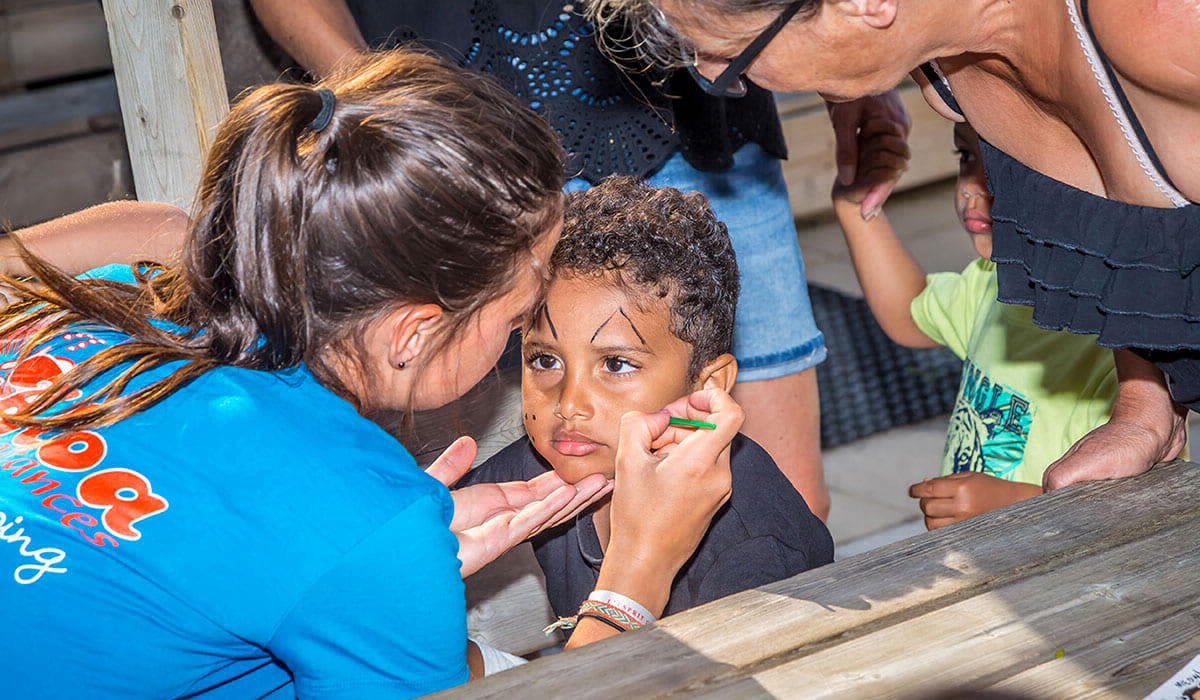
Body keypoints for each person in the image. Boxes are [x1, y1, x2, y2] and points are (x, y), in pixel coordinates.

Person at [0, 49, 741, 697]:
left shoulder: (106, 297)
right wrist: (636, 577)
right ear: (414, 331)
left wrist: (374, 561)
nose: (528, 324)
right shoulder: (365, 530)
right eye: (520, 315)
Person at [247, 0, 834, 520]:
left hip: (687, 110)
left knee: (787, 499)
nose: (571, 405)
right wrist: (401, 131)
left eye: (614, 367)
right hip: (451, 155)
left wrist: (850, 73)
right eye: (538, 354)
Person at [585, 0, 1197, 492]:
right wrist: (1144, 408)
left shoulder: (1164, 24)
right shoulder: (947, 73)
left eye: (735, 60)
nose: (729, 85)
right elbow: (1129, 241)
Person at [457, 177, 833, 647]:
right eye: (545, 361)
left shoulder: (752, 546)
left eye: (616, 365)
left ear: (708, 385)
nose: (569, 405)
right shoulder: (550, 463)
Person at [834, 122, 1118, 529]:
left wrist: (1015, 504)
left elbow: (1129, 507)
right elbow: (909, 313)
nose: (971, 187)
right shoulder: (990, 281)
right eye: (966, 157)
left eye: (1003, 166)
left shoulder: (1119, 350)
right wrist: (856, 205)